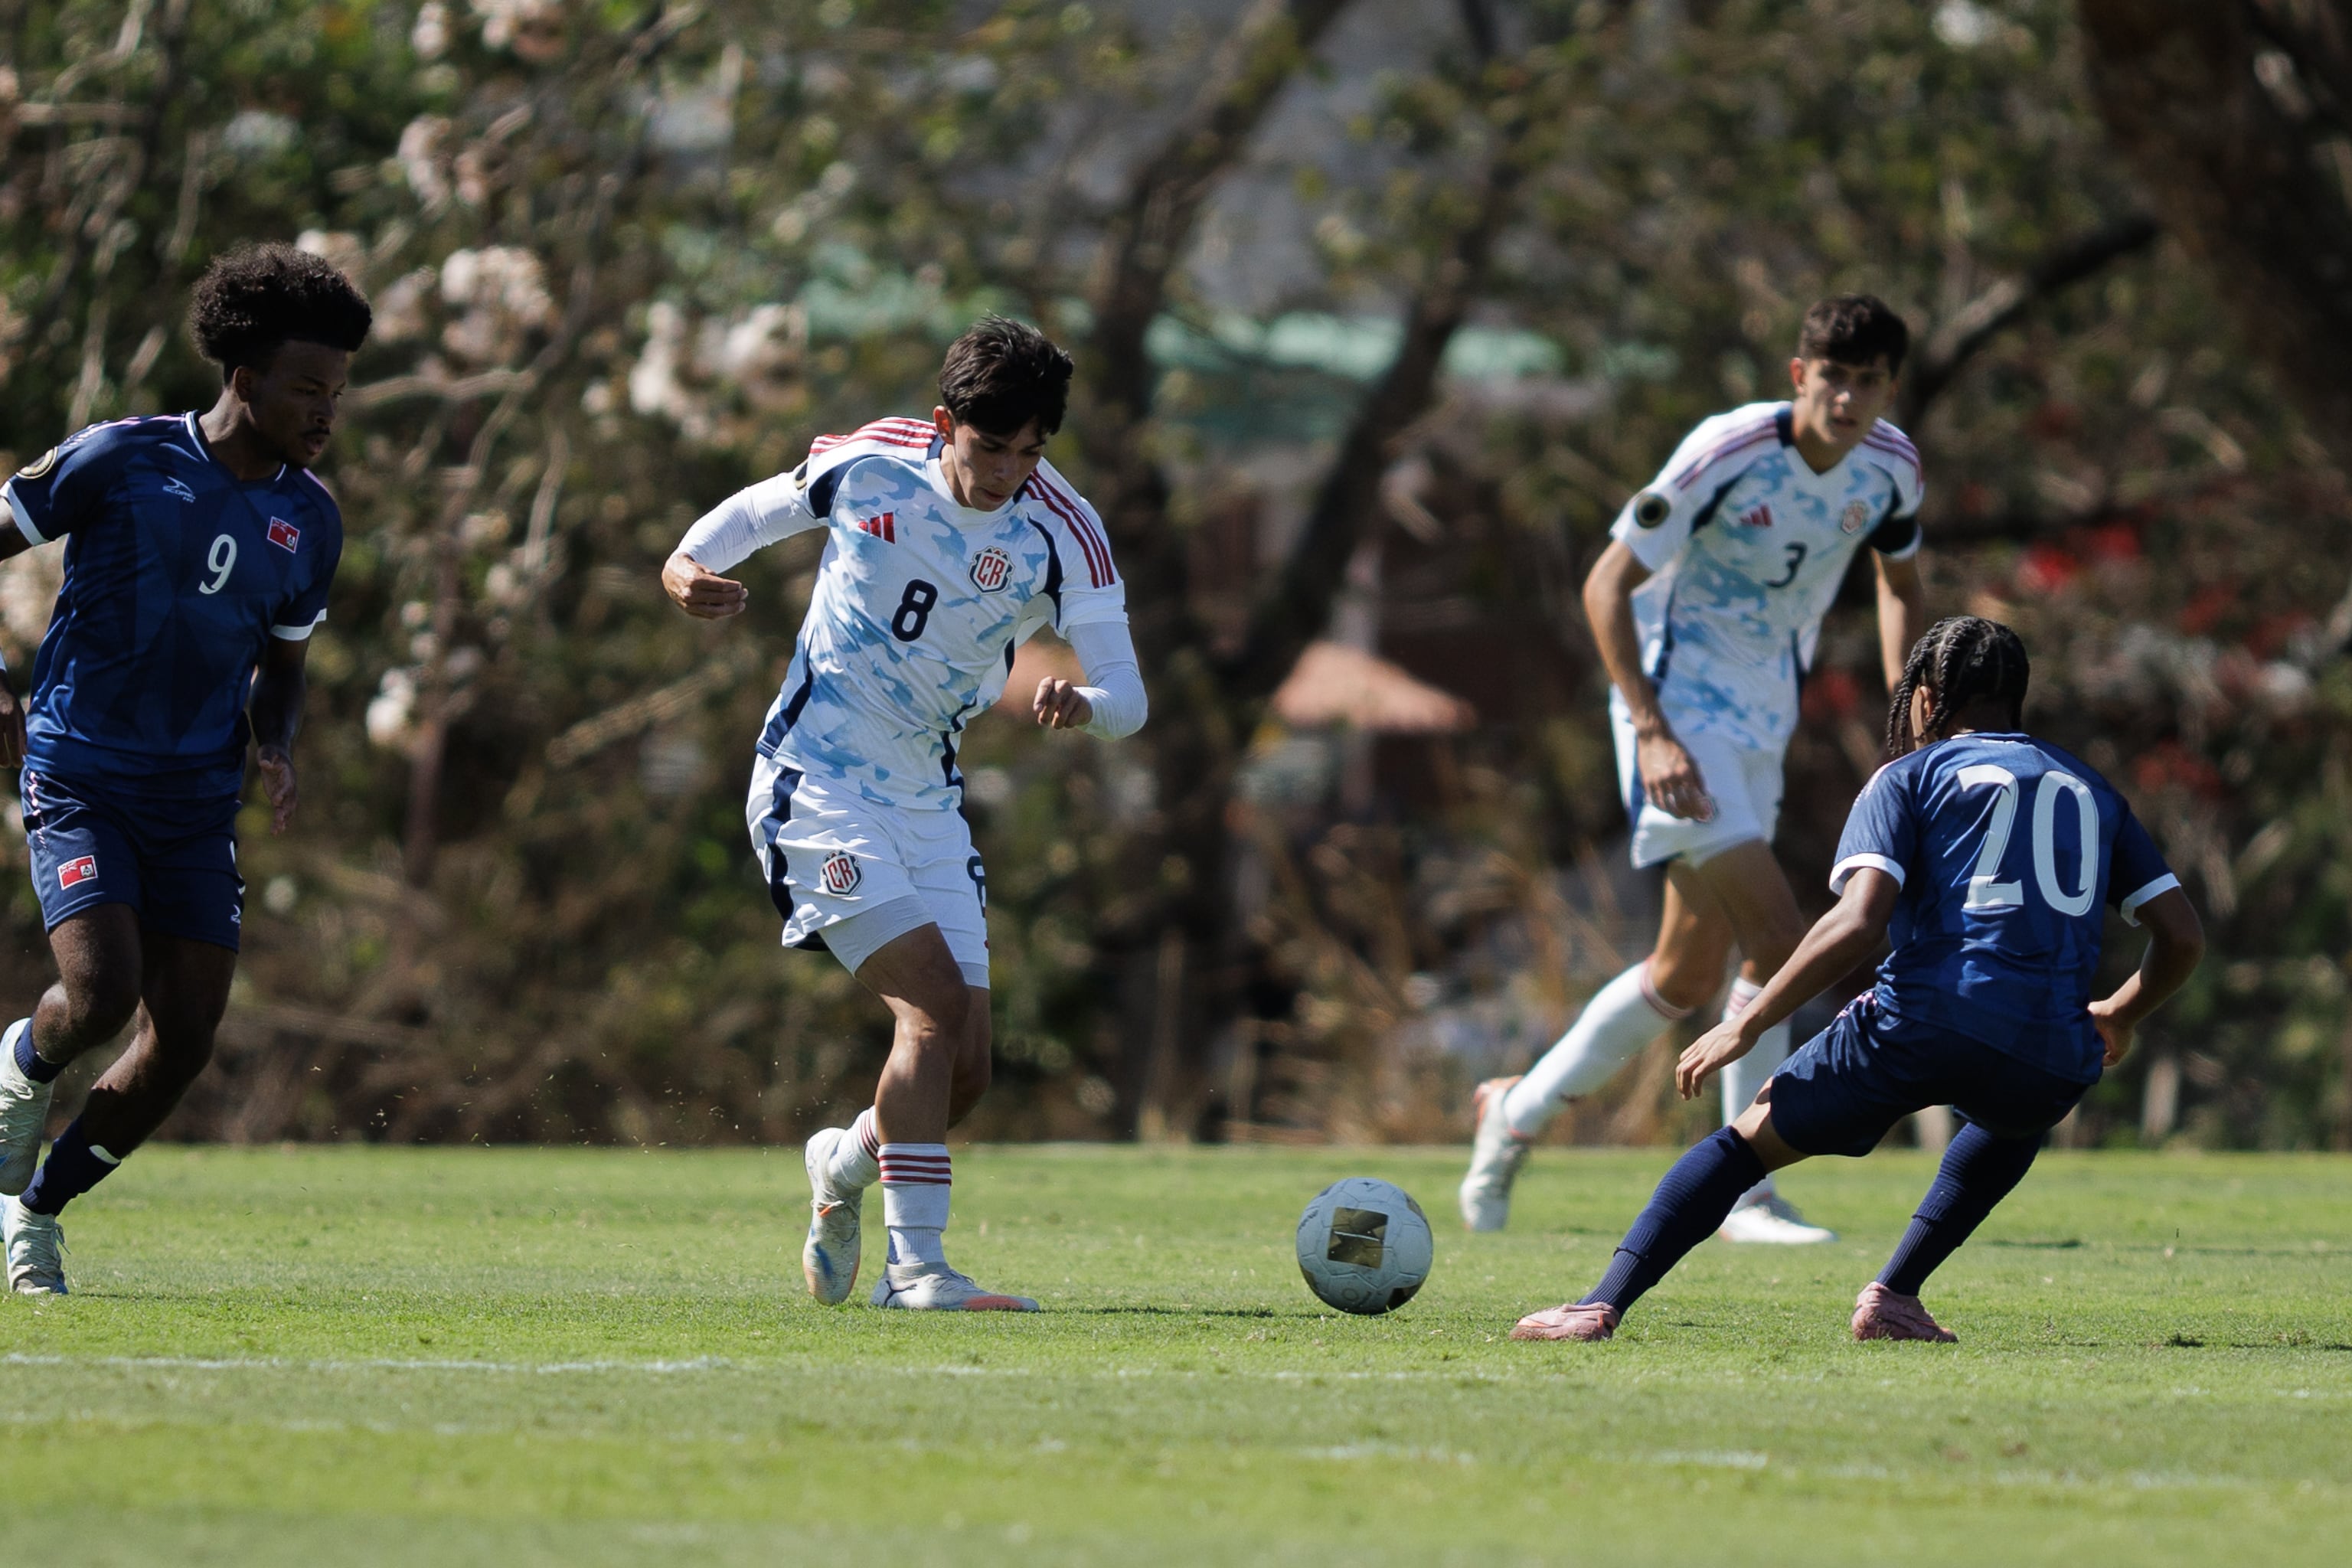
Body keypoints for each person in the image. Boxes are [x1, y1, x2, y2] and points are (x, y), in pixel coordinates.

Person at [1509, 616, 2203, 1342]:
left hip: (1921, 1021)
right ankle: (1896, 1296)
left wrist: (1745, 1024)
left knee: (1741, 1146)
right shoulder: (2093, 790)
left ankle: (1600, 1303)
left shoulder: (1909, 777)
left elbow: (1858, 922)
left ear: (1927, 699)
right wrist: (2121, 1013)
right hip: (2046, 1042)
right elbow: (2183, 935)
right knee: (2019, 1110)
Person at [663, 316, 1144, 1312]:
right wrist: (685, 568)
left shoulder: (1065, 529)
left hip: (928, 806)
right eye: (991, 446)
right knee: (929, 1010)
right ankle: (914, 1271)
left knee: (965, 1068)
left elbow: (1128, 696)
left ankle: (840, 1168)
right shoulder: (873, 463)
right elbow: (747, 520)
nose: (1011, 469)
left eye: (1031, 449)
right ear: (944, 425)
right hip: (813, 786)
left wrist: (1084, 706)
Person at [1462, 295, 1929, 1243]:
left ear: (1889, 388)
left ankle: (1516, 1111)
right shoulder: (1727, 449)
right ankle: (1744, 1191)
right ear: (1801, 375)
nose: (1848, 397)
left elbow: (1901, 586)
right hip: (1678, 713)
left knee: (1684, 973)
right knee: (1781, 934)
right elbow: (1606, 581)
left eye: (1868, 380)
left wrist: (1906, 720)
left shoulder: (1892, 468)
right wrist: (1651, 728)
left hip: (1764, 718)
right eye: (1832, 376)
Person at [0, 243, 371, 1292]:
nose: (325, 410)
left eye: (336, 391)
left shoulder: (313, 521)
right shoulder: (121, 459)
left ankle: (37, 1211)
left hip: (195, 798)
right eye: (308, 387)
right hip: (80, 771)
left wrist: (277, 744)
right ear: (244, 380)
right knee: (103, 993)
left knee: (187, 1037)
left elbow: (285, 665)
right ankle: (23, 1066)